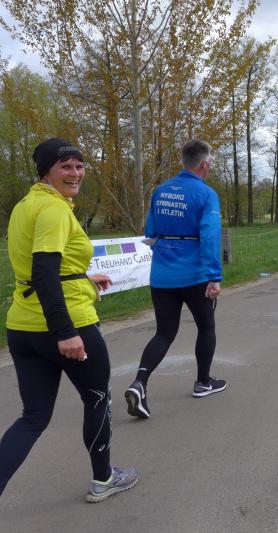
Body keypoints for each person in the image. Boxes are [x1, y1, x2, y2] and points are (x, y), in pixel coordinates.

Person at [0, 138, 138, 502]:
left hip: (22, 327)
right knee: (97, 398)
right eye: (65, 166)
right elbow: (44, 271)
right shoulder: (54, 210)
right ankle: (103, 479)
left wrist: (83, 277)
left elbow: (40, 268)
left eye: (79, 166)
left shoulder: (26, 205)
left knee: (33, 417)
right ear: (46, 171)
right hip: (66, 325)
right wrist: (65, 332)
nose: (75, 173)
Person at [125, 139, 225, 420]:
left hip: (162, 274)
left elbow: (151, 231)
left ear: (184, 161)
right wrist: (214, 276)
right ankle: (203, 382)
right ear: (203, 164)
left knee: (164, 333)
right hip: (194, 274)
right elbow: (210, 236)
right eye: (210, 163)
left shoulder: (160, 190)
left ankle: (140, 382)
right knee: (206, 327)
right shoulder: (206, 194)